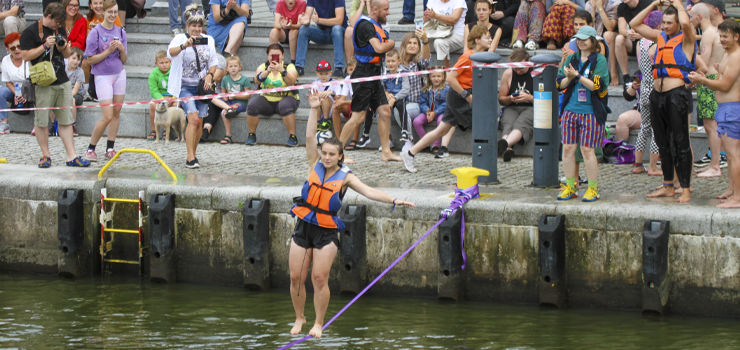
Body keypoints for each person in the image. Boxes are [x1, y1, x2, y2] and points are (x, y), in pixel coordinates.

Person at [288, 89, 415, 339]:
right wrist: (314, 109)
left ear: (340, 157)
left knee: (319, 279)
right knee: (295, 278)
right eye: (324, 153)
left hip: (326, 231)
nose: (325, 158)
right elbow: (309, 135)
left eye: (331, 155)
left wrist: (394, 199)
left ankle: (318, 323)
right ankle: (299, 317)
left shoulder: (345, 177)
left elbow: (368, 191)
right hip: (304, 225)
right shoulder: (314, 161)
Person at [401, 25, 491, 172]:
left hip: (463, 95)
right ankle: (484, 162)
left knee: (441, 130)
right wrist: (467, 96)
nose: (490, 39)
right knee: (482, 122)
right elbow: (450, 78)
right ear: (477, 40)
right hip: (459, 97)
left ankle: (410, 153)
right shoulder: (468, 56)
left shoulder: (479, 56)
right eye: (487, 37)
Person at [630, 0, 695, 202]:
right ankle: (668, 185)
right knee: (662, 142)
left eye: (669, 23)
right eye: (663, 22)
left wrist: (679, 5)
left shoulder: (686, 38)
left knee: (680, 142)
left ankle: (685, 188)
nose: (665, 26)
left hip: (676, 96)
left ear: (677, 23)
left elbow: (686, 24)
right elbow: (635, 24)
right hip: (657, 96)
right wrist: (655, 4)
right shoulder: (660, 37)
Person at [20, 3, 89, 168]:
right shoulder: (30, 32)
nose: (58, 26)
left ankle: (71, 156)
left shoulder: (60, 29)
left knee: (66, 120)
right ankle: (45, 155)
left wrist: (63, 46)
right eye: (56, 23)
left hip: (62, 79)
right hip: (43, 82)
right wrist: (44, 45)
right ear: (48, 16)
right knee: (42, 120)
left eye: (60, 24)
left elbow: (66, 54)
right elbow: (25, 55)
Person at [338, 0, 399, 163]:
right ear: (375, 9)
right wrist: (392, 43)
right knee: (358, 117)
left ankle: (386, 152)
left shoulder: (374, 24)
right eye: (386, 9)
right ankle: (338, 154)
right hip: (363, 74)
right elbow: (379, 48)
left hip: (374, 74)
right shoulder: (366, 25)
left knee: (385, 111)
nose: (388, 13)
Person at [689, 20, 740, 208]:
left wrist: (703, 80)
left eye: (726, 36)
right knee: (731, 153)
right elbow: (723, 80)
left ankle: (737, 198)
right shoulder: (728, 54)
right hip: (725, 109)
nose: (722, 40)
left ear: (737, 36)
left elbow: (725, 85)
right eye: (721, 36)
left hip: (733, 110)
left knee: (734, 155)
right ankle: (732, 190)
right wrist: (716, 74)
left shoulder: (736, 56)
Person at [556, 26, 610, 202]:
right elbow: (560, 84)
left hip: (591, 112)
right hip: (570, 111)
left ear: (593, 41)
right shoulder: (572, 58)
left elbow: (596, 86)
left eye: (585, 39)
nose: (581, 42)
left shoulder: (600, 60)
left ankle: (593, 188)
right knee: (568, 148)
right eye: (578, 39)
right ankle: (571, 186)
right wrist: (569, 77)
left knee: (588, 150)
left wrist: (577, 75)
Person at [168, 4, 219, 168]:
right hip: (185, 86)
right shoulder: (180, 39)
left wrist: (210, 76)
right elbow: (171, 53)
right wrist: (185, 45)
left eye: (199, 26)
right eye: (193, 26)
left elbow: (213, 63)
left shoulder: (208, 39)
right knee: (193, 118)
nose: (196, 29)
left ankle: (193, 153)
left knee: (200, 121)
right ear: (187, 26)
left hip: (201, 86)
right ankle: (190, 157)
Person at [84, 0, 126, 162]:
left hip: (119, 74)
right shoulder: (95, 32)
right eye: (110, 12)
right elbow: (90, 60)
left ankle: (110, 147)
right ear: (103, 12)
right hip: (102, 75)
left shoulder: (121, 32)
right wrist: (108, 51)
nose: (113, 15)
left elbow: (124, 59)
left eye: (115, 12)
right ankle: (91, 148)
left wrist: (121, 49)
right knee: (107, 115)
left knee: (116, 113)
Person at [691, 3, 724, 178]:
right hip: (712, 80)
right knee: (711, 126)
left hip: (709, 81)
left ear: (699, 17)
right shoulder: (714, 32)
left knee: (711, 126)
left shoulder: (708, 34)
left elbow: (703, 63)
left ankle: (715, 165)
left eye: (691, 17)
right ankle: (714, 163)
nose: (690, 20)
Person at [245, 43, 299, 147]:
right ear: (267, 56)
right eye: (271, 55)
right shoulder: (263, 66)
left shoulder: (289, 66)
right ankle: (252, 135)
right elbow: (256, 80)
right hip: (267, 99)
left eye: (277, 55)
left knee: (284, 106)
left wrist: (282, 71)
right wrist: (267, 72)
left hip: (287, 98)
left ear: (282, 55)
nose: (274, 58)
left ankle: (293, 136)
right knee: (252, 105)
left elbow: (292, 81)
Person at [631, 9, 661, 175]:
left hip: (644, 89)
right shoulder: (655, 44)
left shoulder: (640, 42)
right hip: (655, 89)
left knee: (644, 127)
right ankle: (653, 166)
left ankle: (637, 164)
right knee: (657, 129)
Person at [497, 48, 535, 163]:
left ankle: (505, 145)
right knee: (508, 123)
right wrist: (510, 98)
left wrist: (529, 98)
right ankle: (506, 148)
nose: (518, 71)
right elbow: (501, 99)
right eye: (516, 68)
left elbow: (545, 100)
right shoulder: (508, 73)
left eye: (521, 68)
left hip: (531, 106)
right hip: (512, 106)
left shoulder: (536, 73)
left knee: (521, 123)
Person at [295, 0, 347, 78]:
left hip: (338, 34)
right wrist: (305, 20)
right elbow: (307, 16)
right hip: (321, 32)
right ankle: (299, 67)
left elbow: (339, 21)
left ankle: (339, 68)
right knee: (303, 29)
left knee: (336, 29)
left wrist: (319, 20)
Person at [397, 29, 430, 145]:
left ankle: (408, 141)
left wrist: (425, 41)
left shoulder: (417, 63)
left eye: (415, 43)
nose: (412, 45)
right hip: (398, 102)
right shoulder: (396, 63)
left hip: (415, 104)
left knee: (402, 110)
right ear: (404, 45)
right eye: (409, 43)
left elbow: (426, 60)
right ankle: (388, 140)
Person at [85, 0, 121, 99]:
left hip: (114, 64)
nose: (98, 6)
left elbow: (116, 37)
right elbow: (88, 42)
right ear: (90, 5)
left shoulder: (116, 22)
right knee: (84, 61)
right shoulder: (89, 19)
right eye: (95, 3)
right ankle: (88, 89)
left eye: (100, 3)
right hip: (98, 59)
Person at [211, 55, 250, 144]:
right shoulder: (225, 78)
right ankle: (229, 108)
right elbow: (223, 92)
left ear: (239, 67)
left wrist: (235, 96)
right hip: (228, 102)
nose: (233, 68)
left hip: (240, 103)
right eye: (231, 66)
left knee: (224, 113)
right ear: (227, 68)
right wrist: (225, 97)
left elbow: (248, 95)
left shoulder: (245, 79)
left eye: (235, 66)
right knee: (213, 98)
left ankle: (228, 136)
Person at [412, 67, 450, 155]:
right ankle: (425, 144)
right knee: (416, 121)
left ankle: (435, 145)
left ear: (443, 77)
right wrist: (427, 111)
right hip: (428, 113)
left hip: (439, 112)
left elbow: (446, 104)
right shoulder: (425, 89)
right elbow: (422, 103)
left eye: (439, 76)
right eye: (433, 76)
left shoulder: (446, 89)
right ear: (429, 77)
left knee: (441, 122)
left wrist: (435, 112)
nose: (436, 79)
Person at [614, 0, 651, 86]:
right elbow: (621, 29)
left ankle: (644, 76)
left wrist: (639, 35)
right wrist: (628, 33)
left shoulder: (648, 4)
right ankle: (626, 76)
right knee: (619, 38)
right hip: (632, 41)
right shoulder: (622, 7)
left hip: (647, 40)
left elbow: (655, 31)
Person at [0, 32, 28, 135]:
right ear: (8, 49)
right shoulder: (5, 60)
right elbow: (8, 82)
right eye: (12, 48)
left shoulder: (29, 57)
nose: (16, 49)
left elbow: (35, 80)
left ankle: (37, 124)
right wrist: (17, 94)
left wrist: (26, 94)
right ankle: (4, 123)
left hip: (31, 89)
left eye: (19, 46)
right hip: (15, 90)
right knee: (1, 92)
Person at [424, 0, 467, 67]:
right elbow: (426, 20)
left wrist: (436, 16)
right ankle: (423, 69)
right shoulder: (432, 1)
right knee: (422, 41)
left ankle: (448, 68)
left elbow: (454, 19)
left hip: (457, 35)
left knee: (439, 43)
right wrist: (427, 16)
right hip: (436, 33)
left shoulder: (459, 1)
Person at [586, 0, 619, 83]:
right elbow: (587, 28)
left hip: (612, 37)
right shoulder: (589, 4)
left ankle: (613, 72)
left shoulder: (614, 3)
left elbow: (610, 27)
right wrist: (593, 10)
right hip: (595, 37)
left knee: (608, 35)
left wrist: (600, 9)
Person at [310, 60, 344, 137]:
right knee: (317, 99)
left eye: (326, 73)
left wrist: (331, 93)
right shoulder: (315, 83)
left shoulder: (335, 82)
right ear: (317, 73)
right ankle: (318, 121)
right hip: (319, 108)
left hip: (331, 108)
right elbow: (314, 94)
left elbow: (338, 97)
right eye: (321, 74)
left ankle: (326, 120)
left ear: (331, 73)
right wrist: (323, 93)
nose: (323, 76)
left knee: (324, 98)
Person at [148, 50, 175, 141]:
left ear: (170, 62)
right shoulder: (153, 74)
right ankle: (154, 130)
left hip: (172, 96)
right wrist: (163, 99)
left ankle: (167, 129)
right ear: (156, 63)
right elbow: (154, 90)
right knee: (153, 106)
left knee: (175, 106)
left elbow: (178, 86)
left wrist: (172, 98)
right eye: (161, 63)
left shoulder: (174, 72)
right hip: (160, 97)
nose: (164, 65)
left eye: (166, 62)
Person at [269, 0, 306, 64]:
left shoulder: (302, 3)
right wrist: (281, 25)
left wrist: (292, 26)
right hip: (285, 30)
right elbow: (275, 24)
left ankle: (293, 62)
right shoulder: (280, 3)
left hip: (298, 33)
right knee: (273, 32)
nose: (290, 1)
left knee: (293, 32)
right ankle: (274, 61)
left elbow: (299, 25)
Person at [332, 58, 357, 148]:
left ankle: (354, 140)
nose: (352, 72)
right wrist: (339, 102)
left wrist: (343, 102)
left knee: (356, 108)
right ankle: (339, 140)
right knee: (335, 108)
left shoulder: (362, 79)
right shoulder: (347, 79)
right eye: (350, 70)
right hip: (351, 103)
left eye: (355, 69)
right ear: (347, 70)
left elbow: (359, 100)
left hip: (363, 106)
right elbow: (343, 97)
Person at [616, 70, 642, 141]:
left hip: (661, 111)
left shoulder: (664, 71)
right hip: (642, 110)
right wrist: (633, 87)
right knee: (622, 119)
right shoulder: (639, 73)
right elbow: (627, 96)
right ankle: (622, 149)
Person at [344, 0, 369, 68]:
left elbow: (373, 23)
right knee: (349, 30)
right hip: (361, 31)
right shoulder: (356, 2)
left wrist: (368, 4)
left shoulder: (377, 2)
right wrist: (362, 5)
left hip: (375, 31)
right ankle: (350, 66)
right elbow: (352, 23)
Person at [66, 47, 84, 135]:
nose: (75, 61)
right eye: (73, 58)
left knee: (71, 99)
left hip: (77, 95)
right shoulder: (63, 69)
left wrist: (65, 97)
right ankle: (54, 124)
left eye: (78, 59)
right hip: (64, 92)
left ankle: (73, 124)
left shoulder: (80, 72)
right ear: (68, 57)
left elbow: (75, 91)